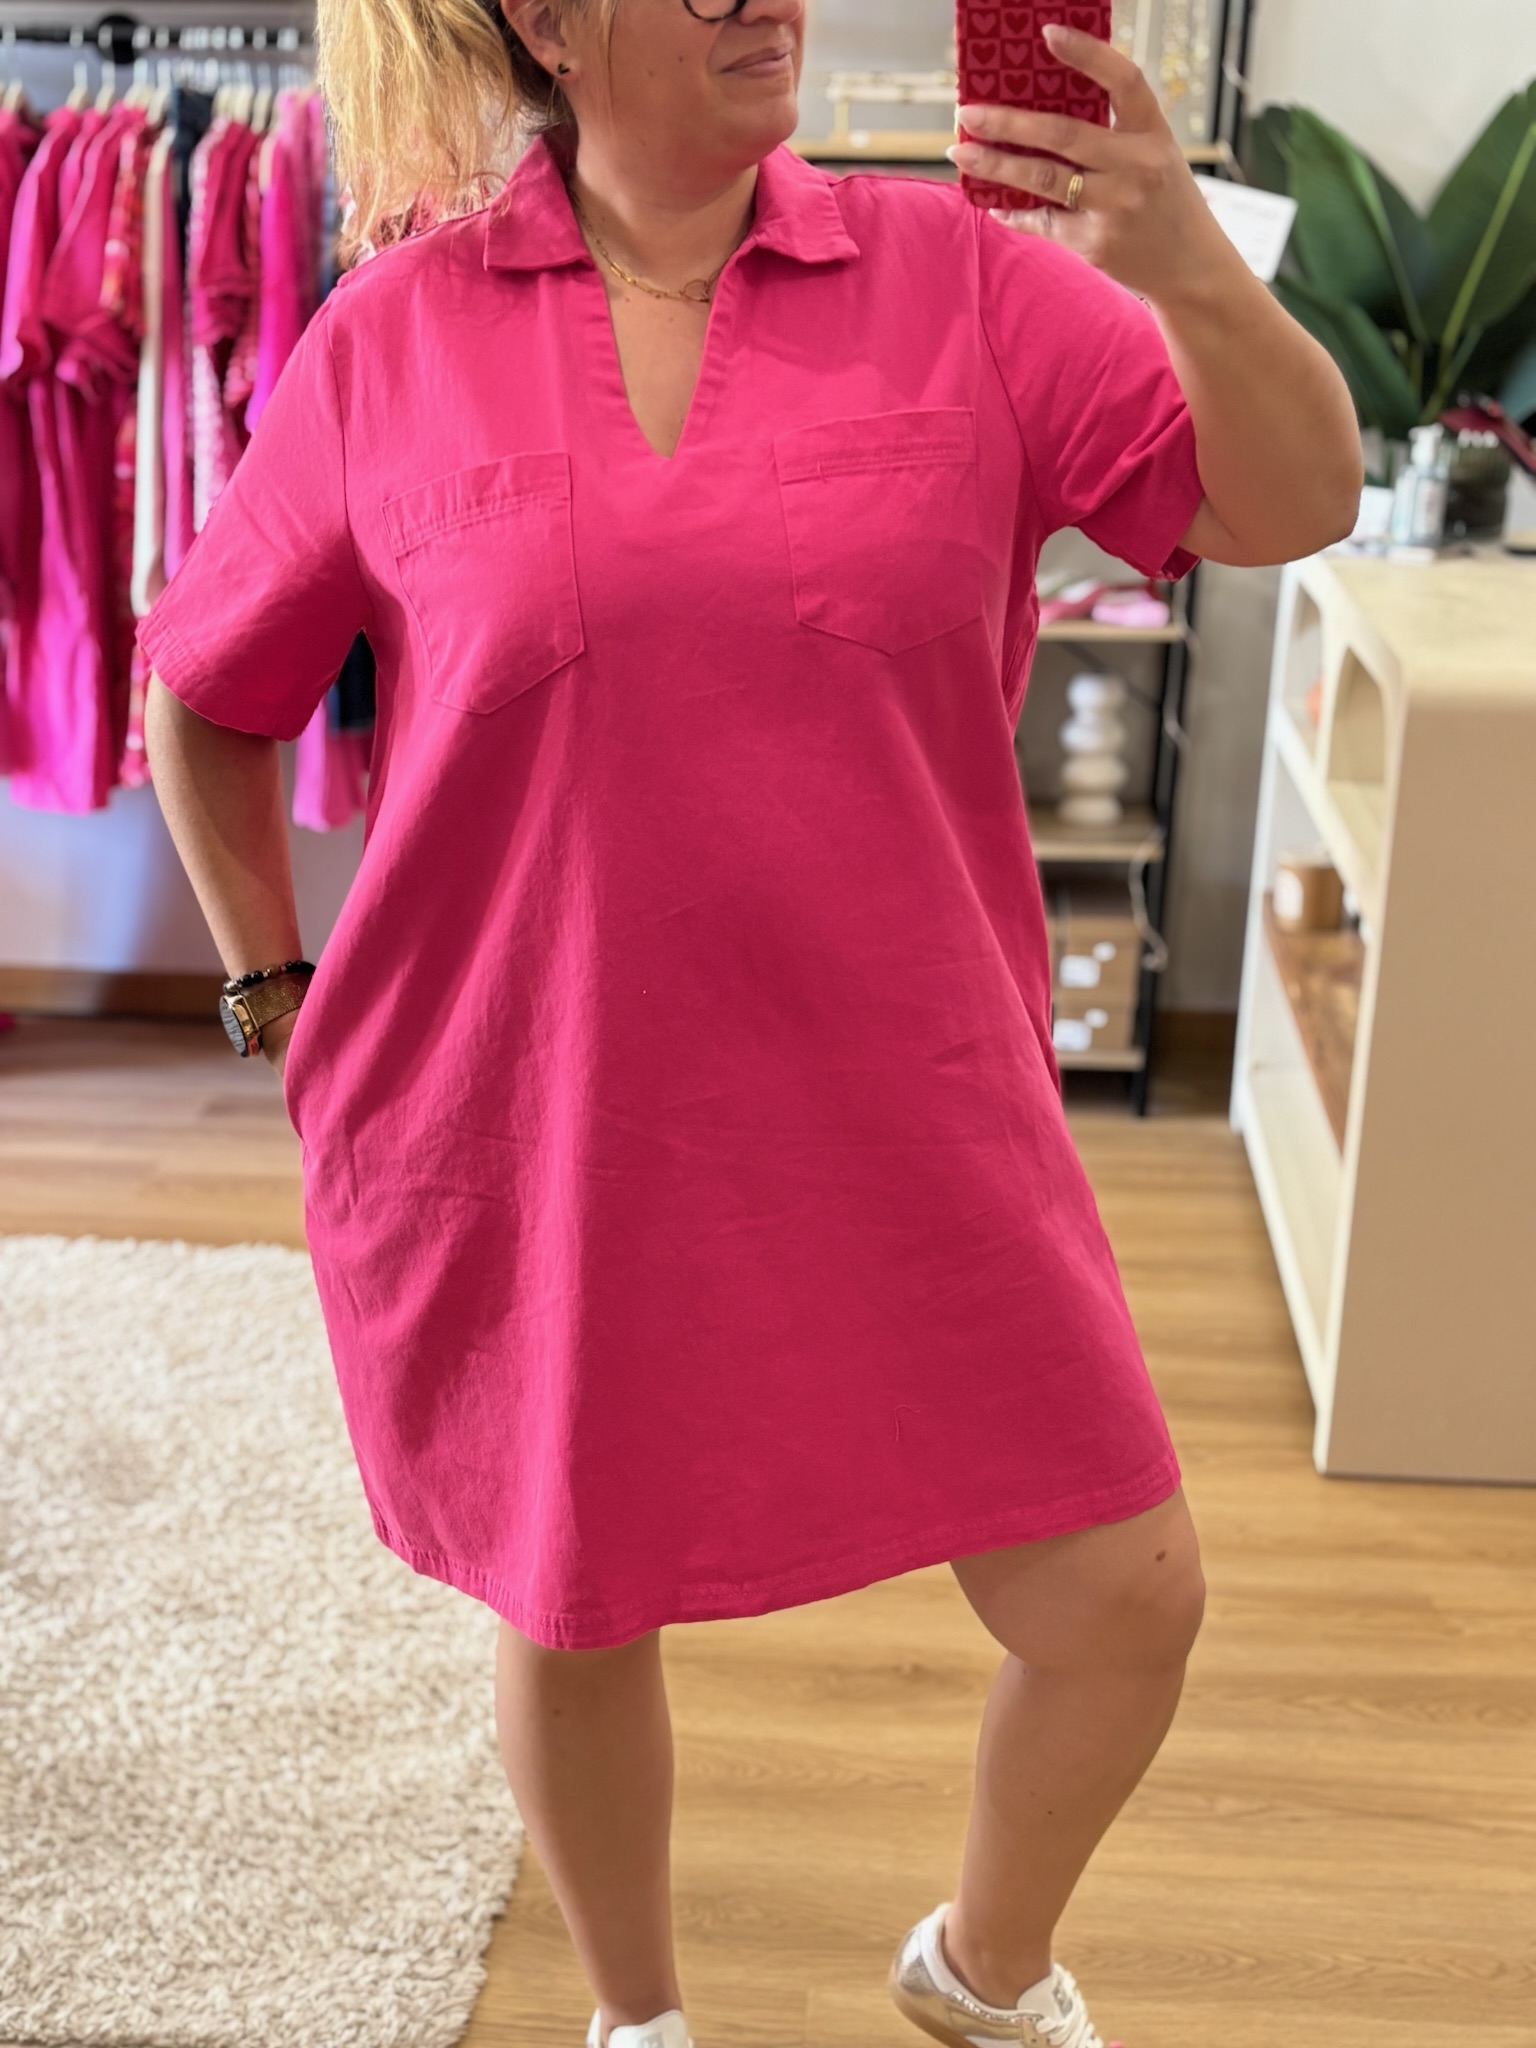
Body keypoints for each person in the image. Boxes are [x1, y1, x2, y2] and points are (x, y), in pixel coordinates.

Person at [141, 4, 1361, 2046]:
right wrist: (274, 986)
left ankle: (984, 1968)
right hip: (541, 1104)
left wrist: (1179, 260)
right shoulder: (391, 339)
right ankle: (638, 2017)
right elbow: (205, 686)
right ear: (546, 18)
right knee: (574, 1588)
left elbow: (1298, 499)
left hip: (908, 1092)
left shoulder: (964, 284)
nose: (761, 1)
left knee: (1125, 1597)